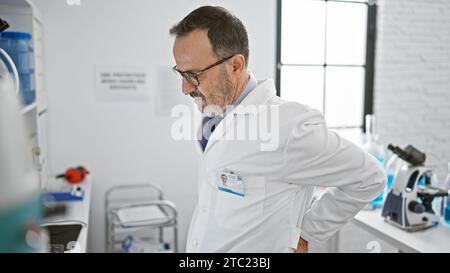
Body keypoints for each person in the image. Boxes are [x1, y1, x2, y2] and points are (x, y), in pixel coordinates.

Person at [169, 6, 386, 253]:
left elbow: (369, 177)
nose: (185, 89)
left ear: (236, 66)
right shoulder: (214, 118)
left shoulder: (289, 127)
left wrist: (306, 235)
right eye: (181, 73)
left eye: (194, 75)